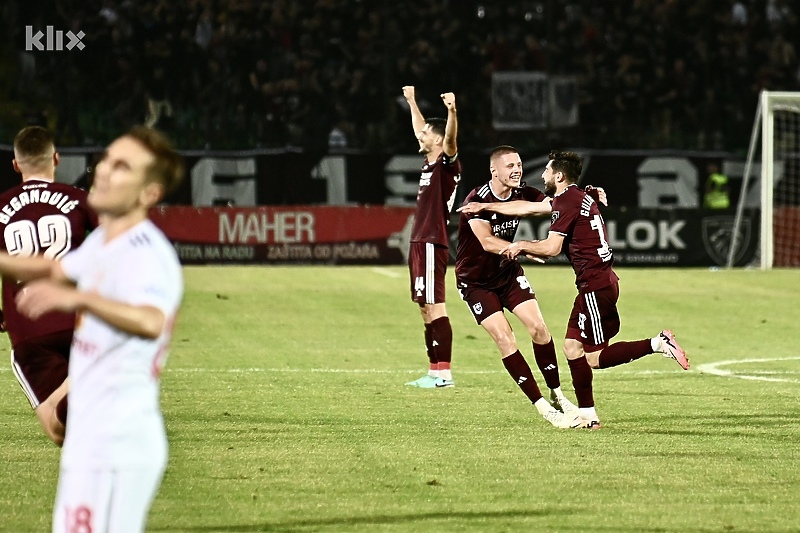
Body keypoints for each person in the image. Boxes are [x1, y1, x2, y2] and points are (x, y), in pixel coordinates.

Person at [0, 126, 184, 532]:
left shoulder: (148, 253)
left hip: (119, 442)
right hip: (92, 437)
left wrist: (80, 300)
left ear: (148, 193)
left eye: (121, 167)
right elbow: (50, 267)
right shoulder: (105, 243)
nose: (102, 171)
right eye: (105, 160)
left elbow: (151, 321)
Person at [495, 151, 689, 428]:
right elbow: (526, 208)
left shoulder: (566, 201)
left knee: (593, 358)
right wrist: (484, 207)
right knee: (571, 347)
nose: (542, 176)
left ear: (559, 176)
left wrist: (521, 245)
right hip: (598, 284)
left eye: (547, 171)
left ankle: (658, 343)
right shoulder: (580, 196)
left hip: (595, 288)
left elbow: (552, 248)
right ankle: (588, 414)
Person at [455, 146, 597, 429]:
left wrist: (590, 192)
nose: (517, 170)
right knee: (506, 339)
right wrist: (520, 248)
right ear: (494, 170)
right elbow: (487, 243)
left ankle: (557, 395)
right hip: (476, 282)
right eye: (510, 166)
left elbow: (555, 203)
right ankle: (544, 408)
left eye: (519, 164)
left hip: (507, 274)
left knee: (540, 330)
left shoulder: (524, 193)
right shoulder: (476, 199)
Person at [1, 126, 97, 446]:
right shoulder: (78, 200)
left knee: (59, 431)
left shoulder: (0, 206)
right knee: (60, 429)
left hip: (29, 328)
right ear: (56, 159)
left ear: (16, 165)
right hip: (79, 321)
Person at [401, 86, 460, 389]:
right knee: (425, 306)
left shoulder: (446, 164)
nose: (420, 135)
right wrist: (412, 100)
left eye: (426, 133)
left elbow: (449, 140)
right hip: (419, 240)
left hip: (431, 240)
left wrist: (451, 111)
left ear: (437, 139)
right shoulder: (429, 163)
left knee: (435, 305)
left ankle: (444, 374)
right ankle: (433, 370)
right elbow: (420, 129)